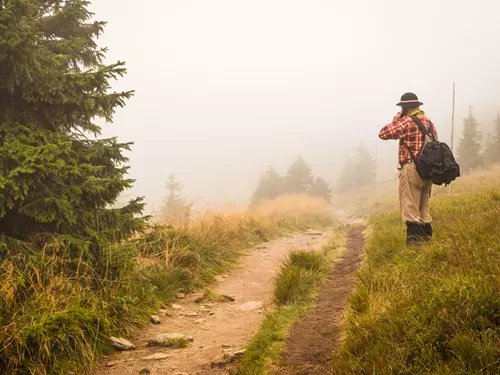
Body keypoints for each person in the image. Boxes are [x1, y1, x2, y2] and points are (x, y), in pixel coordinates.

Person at [378, 92, 438, 245]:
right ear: (418, 106)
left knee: (410, 204)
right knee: (424, 206)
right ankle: (427, 241)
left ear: (405, 108)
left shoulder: (407, 122)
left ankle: (414, 243)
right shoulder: (429, 123)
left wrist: (395, 121)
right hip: (428, 170)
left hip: (411, 167)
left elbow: (383, 133)